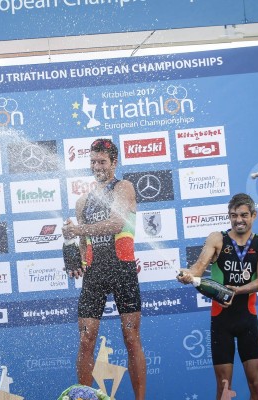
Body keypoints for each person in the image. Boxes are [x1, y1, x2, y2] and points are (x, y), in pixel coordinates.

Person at [62, 138, 147, 400]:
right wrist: (74, 256)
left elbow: (116, 223)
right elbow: (83, 243)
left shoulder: (124, 188)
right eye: (93, 162)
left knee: (131, 337)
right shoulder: (82, 201)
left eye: (102, 161)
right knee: (86, 339)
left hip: (122, 269)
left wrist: (78, 230)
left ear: (114, 163)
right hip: (95, 273)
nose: (97, 166)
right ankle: (84, 397)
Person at [177, 193, 258, 400]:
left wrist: (236, 290)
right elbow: (198, 268)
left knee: (256, 384)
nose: (238, 220)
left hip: (248, 320)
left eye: (244, 215)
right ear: (229, 216)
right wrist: (187, 274)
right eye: (233, 215)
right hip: (221, 322)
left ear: (254, 215)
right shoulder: (217, 239)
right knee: (224, 388)